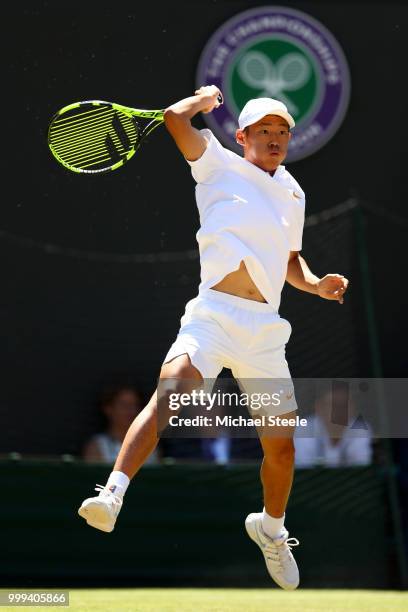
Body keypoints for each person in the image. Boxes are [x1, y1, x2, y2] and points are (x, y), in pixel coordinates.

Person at [78, 87, 349, 590]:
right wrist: (201, 100)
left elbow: (290, 262)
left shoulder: (293, 193)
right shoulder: (216, 163)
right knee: (174, 388)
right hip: (214, 316)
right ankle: (111, 494)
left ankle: (270, 529)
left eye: (283, 131)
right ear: (242, 136)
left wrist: (315, 284)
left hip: (265, 332)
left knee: (282, 449)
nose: (275, 139)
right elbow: (173, 121)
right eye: (264, 131)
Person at [294, 387, 373, 468]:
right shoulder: (304, 429)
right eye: (334, 405)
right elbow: (303, 471)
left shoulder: (360, 429)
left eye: (345, 404)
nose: (341, 410)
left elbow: (361, 468)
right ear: (319, 407)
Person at [82, 384, 160, 465]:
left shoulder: (151, 445)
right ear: (108, 409)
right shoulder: (96, 446)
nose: (132, 411)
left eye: (135, 405)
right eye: (124, 406)